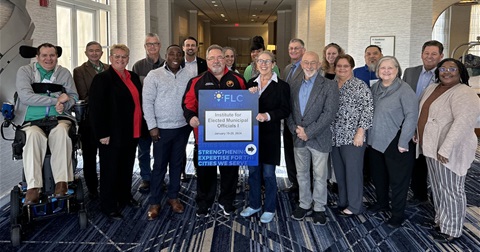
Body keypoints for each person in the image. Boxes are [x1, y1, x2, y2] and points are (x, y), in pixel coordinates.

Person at [417, 58, 480, 242]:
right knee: (437, 188)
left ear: (460, 71)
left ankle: (452, 229)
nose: (447, 72)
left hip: (449, 150)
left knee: (452, 190)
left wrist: (446, 149)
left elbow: (462, 124)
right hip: (430, 146)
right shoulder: (432, 88)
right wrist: (417, 134)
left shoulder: (464, 92)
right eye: (443, 68)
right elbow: (424, 113)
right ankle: (441, 220)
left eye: (452, 68)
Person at [182, 44, 247, 217]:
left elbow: (246, 105)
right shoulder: (196, 81)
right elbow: (188, 104)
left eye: (220, 57)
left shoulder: (238, 80)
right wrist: (191, 118)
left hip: (230, 137)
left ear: (225, 59)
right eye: (212, 58)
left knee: (229, 173)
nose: (216, 61)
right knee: (205, 173)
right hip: (205, 137)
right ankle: (204, 203)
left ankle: (226, 201)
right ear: (207, 60)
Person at [14, 43, 78, 205]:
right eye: (44, 55)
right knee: (33, 135)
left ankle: (61, 182)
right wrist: (56, 100)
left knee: (62, 132)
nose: (48, 59)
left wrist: (66, 103)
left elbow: (74, 97)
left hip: (59, 118)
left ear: (56, 57)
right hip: (32, 120)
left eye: (52, 55)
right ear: (37, 57)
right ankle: (33, 187)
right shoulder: (25, 72)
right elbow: (26, 97)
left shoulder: (63, 73)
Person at [89, 44, 143, 220]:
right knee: (110, 170)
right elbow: (96, 109)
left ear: (128, 58)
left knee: (127, 167)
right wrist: (102, 133)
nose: (121, 60)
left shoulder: (133, 77)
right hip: (111, 133)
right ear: (110, 58)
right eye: (117, 57)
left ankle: (124, 196)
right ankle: (108, 205)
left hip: (132, 131)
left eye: (124, 57)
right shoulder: (102, 78)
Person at [287, 51, 339, 225]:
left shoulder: (329, 85)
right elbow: (289, 111)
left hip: (319, 138)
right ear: (301, 64)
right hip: (298, 137)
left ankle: (319, 207)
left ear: (318, 65)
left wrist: (309, 132)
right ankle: (304, 203)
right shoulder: (293, 84)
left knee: (319, 176)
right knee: (301, 174)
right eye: (306, 63)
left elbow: (329, 113)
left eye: (313, 63)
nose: (309, 66)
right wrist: (295, 129)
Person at [367, 56, 418, 228]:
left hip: (396, 141)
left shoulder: (405, 90)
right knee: (379, 177)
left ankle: (397, 214)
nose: (386, 71)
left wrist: (404, 141)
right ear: (378, 70)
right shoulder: (375, 87)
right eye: (383, 68)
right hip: (375, 140)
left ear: (397, 70)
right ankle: (382, 203)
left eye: (391, 68)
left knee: (398, 181)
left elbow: (412, 116)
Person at [240, 51, 290, 223]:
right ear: (255, 64)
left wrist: (267, 115)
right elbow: (243, 109)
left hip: (270, 137)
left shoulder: (282, 86)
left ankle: (269, 207)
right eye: (260, 61)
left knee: (269, 174)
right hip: (252, 137)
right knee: (253, 172)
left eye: (267, 61)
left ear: (274, 64)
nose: (263, 64)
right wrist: (249, 95)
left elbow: (285, 110)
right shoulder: (250, 84)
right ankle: (254, 204)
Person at [143, 45, 192, 219]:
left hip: (182, 128)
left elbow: (192, 100)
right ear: (166, 55)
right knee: (159, 166)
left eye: (179, 54)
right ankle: (155, 202)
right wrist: (152, 126)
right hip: (161, 129)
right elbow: (147, 102)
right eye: (172, 53)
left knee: (177, 165)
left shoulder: (189, 75)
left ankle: (173, 197)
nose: (175, 56)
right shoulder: (154, 75)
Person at [331, 54, 373, 217]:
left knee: (353, 172)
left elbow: (368, 110)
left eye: (345, 66)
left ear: (351, 67)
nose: (342, 69)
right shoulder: (332, 85)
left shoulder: (359, 85)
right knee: (340, 172)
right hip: (334, 136)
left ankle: (355, 206)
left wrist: (361, 133)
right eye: (339, 66)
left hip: (353, 137)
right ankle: (343, 201)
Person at [402, 40, 444, 206]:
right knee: (415, 161)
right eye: (426, 53)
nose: (429, 57)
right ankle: (420, 195)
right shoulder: (410, 72)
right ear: (421, 55)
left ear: (441, 56)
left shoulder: (445, 74)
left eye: (434, 54)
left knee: (434, 162)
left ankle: (437, 197)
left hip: (434, 124)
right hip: (412, 123)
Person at [73, 41, 109, 200]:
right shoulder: (80, 71)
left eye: (97, 51)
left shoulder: (109, 68)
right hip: (89, 120)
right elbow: (83, 95)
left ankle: (108, 186)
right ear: (86, 53)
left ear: (102, 53)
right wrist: (107, 101)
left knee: (107, 155)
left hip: (108, 120)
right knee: (89, 156)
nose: (94, 53)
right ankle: (93, 188)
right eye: (91, 51)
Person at [132, 33, 166, 193]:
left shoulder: (168, 65)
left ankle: (160, 178)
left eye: (155, 44)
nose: (152, 47)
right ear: (145, 47)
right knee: (144, 149)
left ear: (160, 46)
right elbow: (135, 92)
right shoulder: (138, 67)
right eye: (148, 44)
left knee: (161, 150)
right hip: (144, 115)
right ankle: (146, 177)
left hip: (163, 115)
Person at [281, 38, 306, 196]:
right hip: (287, 117)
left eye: (297, 48)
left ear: (303, 50)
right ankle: (294, 183)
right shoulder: (287, 68)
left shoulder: (308, 67)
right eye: (291, 49)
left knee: (301, 154)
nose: (293, 51)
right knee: (289, 152)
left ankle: (303, 188)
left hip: (301, 119)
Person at [182, 36, 207, 181]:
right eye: (187, 45)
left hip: (201, 109)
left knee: (199, 142)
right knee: (182, 143)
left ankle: (198, 169)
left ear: (197, 48)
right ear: (183, 47)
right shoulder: (177, 63)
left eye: (193, 45)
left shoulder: (204, 64)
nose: (190, 47)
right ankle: (182, 171)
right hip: (185, 109)